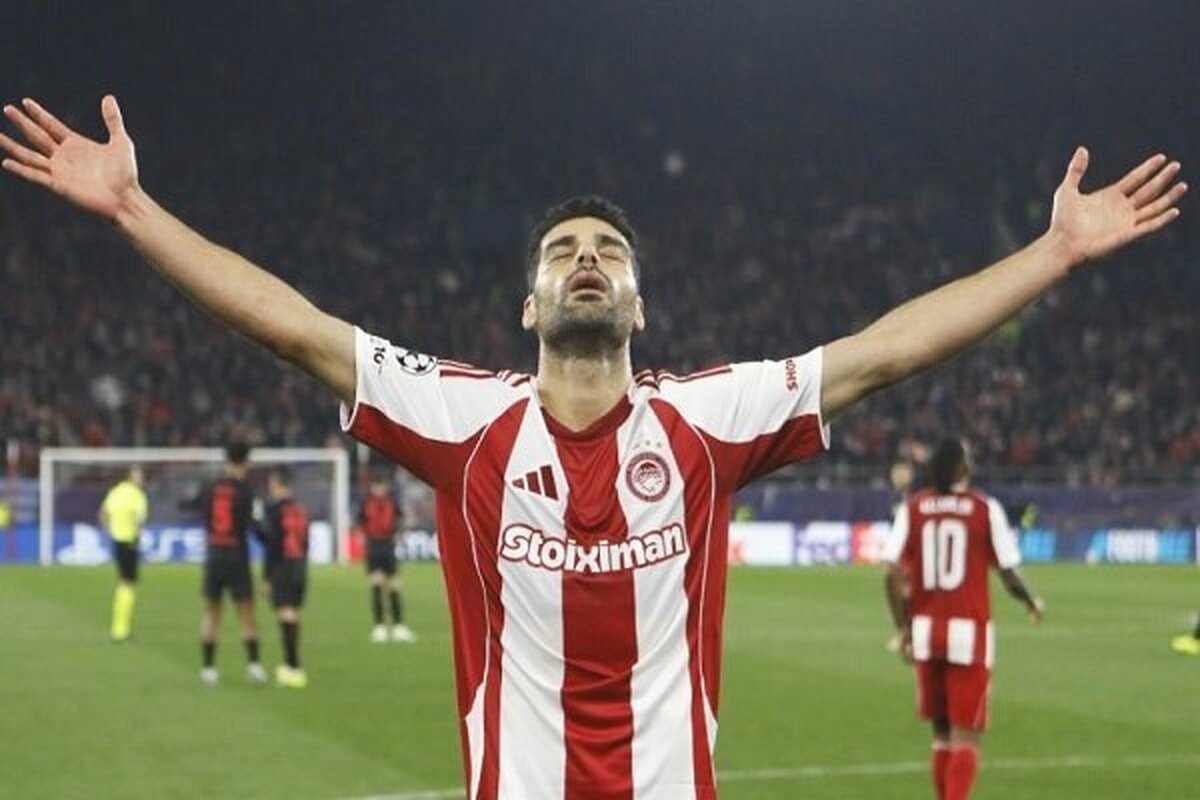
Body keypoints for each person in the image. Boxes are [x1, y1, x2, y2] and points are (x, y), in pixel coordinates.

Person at [0, 95, 1184, 798]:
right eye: (564, 249)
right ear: (528, 304)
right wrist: (134, 209)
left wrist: (1054, 253)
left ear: (638, 304)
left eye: (608, 252)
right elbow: (296, 327)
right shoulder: (461, 415)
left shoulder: (710, 417)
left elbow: (883, 352)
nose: (585, 259)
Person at [882, 439, 1045, 800]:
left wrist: (903, 627)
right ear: (962, 468)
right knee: (966, 735)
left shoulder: (915, 507)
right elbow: (1009, 573)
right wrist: (1032, 600)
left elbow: (890, 572)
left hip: (926, 633)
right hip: (969, 634)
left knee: (941, 735)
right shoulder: (984, 508)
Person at [184, 442, 266, 687]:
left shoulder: (210, 487)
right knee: (246, 613)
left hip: (214, 554)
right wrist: (270, 540)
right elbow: (253, 526)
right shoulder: (245, 491)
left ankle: (208, 669)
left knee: (211, 612)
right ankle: (254, 666)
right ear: (246, 462)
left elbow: (192, 506)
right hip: (237, 555)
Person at [261, 467, 311, 687]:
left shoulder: (274, 509)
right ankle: (292, 665)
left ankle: (293, 668)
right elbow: (306, 541)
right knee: (293, 613)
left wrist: (266, 578)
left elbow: (272, 545)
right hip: (299, 566)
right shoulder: (300, 508)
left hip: (283, 566)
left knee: (286, 614)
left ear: (277, 484)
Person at [360, 474, 415, 643]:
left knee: (394, 585)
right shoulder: (366, 502)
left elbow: (401, 518)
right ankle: (379, 627)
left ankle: (398, 626)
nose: (380, 489)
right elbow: (360, 522)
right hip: (374, 546)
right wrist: (364, 538)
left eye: (382, 485)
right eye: (377, 485)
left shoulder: (392, 502)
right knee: (376, 584)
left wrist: (400, 534)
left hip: (388, 546)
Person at [99, 466, 148, 642]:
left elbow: (103, 513)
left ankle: (119, 626)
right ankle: (120, 629)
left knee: (124, 582)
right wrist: (136, 536)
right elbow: (139, 520)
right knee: (128, 584)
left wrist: (110, 530)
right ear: (131, 477)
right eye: (139, 476)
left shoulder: (116, 491)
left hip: (117, 540)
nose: (141, 479)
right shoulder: (137, 495)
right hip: (129, 542)